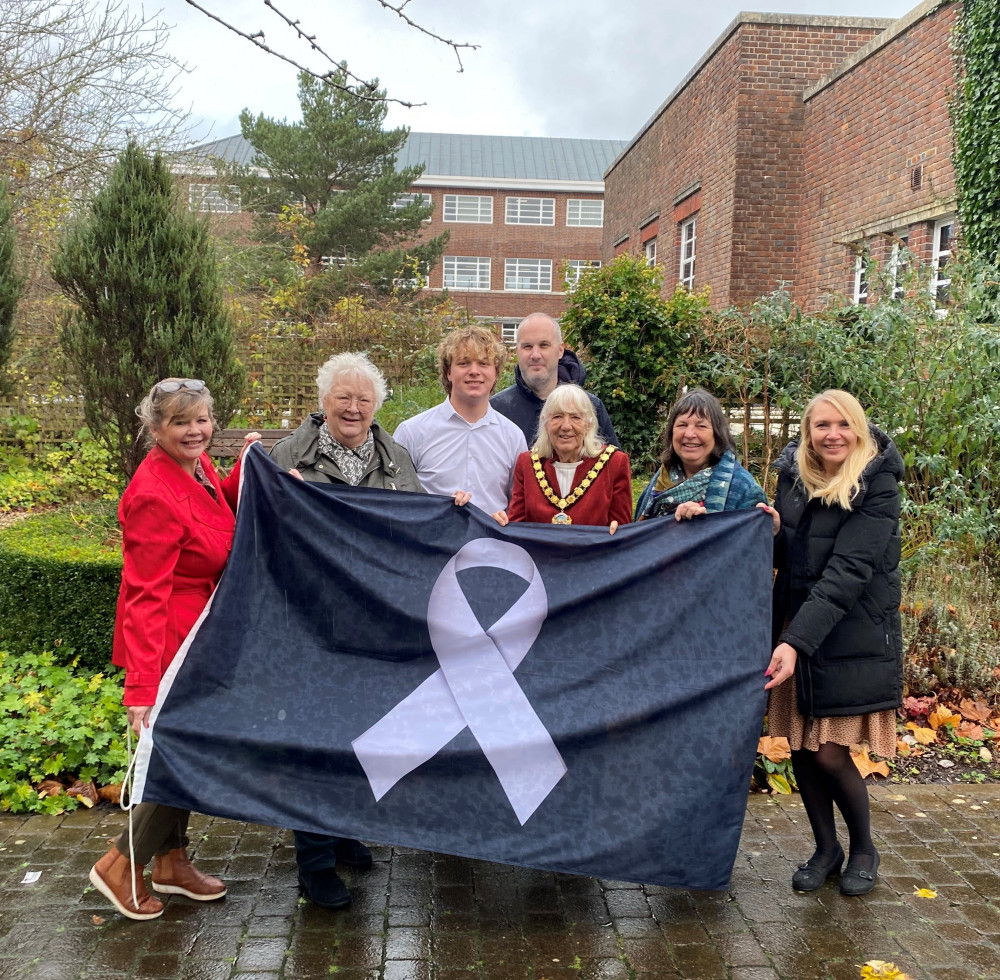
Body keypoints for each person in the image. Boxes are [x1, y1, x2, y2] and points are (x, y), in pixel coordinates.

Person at [90, 379, 260, 921]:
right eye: (182, 422)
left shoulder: (198, 467)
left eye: (203, 419)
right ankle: (120, 863)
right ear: (156, 428)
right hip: (167, 640)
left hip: (197, 633)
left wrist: (244, 472)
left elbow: (212, 519)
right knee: (183, 752)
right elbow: (144, 594)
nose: (196, 430)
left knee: (181, 749)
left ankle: (171, 862)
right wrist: (141, 687)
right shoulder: (151, 494)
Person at [269, 352, 424, 910]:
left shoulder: (396, 458)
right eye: (343, 398)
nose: (353, 408)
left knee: (362, 732)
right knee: (316, 737)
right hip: (313, 620)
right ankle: (312, 863)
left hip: (374, 620)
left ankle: (340, 829)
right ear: (324, 402)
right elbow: (265, 530)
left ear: (376, 404)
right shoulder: (288, 456)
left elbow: (416, 531)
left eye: (363, 399)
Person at [764, 389, 904, 897]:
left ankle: (864, 847)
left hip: (850, 634)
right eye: (821, 426)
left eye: (842, 424)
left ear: (859, 428)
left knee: (827, 751)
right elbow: (794, 553)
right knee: (800, 748)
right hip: (799, 628)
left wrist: (795, 640)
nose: (832, 434)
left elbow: (848, 571)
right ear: (808, 432)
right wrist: (773, 530)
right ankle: (827, 848)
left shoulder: (878, 484)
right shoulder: (795, 476)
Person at [394, 324, 526, 514]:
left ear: (496, 372)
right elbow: (396, 503)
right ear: (448, 372)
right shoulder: (412, 433)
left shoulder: (513, 437)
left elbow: (518, 509)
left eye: (483, 363)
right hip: (431, 542)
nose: (474, 371)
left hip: (492, 542)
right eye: (464, 363)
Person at [493, 383, 631, 532]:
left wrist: (619, 530)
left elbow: (622, 530)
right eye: (557, 416)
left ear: (589, 424)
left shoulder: (615, 463)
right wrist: (500, 524)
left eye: (575, 417)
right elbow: (517, 528)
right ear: (545, 423)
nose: (566, 426)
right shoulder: (527, 463)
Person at [634, 387, 773, 523]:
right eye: (682, 425)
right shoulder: (661, 479)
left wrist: (701, 525)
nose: (689, 434)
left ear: (717, 434)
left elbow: (751, 542)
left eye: (701, 426)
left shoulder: (744, 489)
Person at [490, 312, 620, 449]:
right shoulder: (496, 410)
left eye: (544, 345)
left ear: (560, 350)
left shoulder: (590, 407)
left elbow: (613, 466)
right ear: (517, 351)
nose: (535, 355)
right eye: (527, 346)